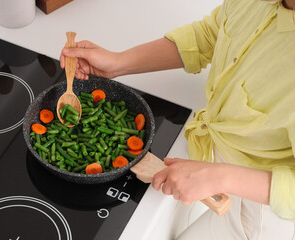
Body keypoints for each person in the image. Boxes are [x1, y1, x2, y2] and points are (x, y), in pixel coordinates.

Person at [60, 0, 295, 239]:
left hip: (263, 212)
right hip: (215, 158)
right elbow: (212, 33)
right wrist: (118, 64)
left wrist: (221, 177)